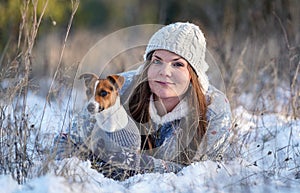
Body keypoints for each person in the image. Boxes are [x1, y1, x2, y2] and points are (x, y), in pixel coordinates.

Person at [53, 22, 232, 180]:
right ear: (148, 64)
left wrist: (131, 162)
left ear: (193, 74)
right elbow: (68, 141)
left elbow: (201, 173)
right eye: (157, 61)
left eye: (177, 64)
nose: (164, 72)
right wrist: (76, 176)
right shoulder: (116, 88)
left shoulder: (214, 109)